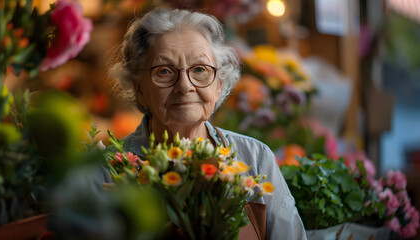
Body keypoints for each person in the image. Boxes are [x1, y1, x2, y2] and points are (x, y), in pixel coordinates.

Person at [107, 7, 307, 240]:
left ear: (219, 84)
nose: (184, 86)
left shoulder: (255, 159)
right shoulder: (108, 169)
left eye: (200, 69)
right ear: (139, 88)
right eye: (164, 71)